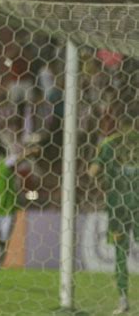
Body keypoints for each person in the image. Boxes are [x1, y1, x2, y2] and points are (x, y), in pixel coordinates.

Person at [88, 115, 139, 316]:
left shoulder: (109, 144)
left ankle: (123, 301)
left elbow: (92, 171)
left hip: (117, 207)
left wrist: (103, 183)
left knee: (120, 253)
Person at [0, 144, 39, 288]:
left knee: (0, 244)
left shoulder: (1, 164)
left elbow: (16, 159)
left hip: (5, 210)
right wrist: (30, 151)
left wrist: (29, 152)